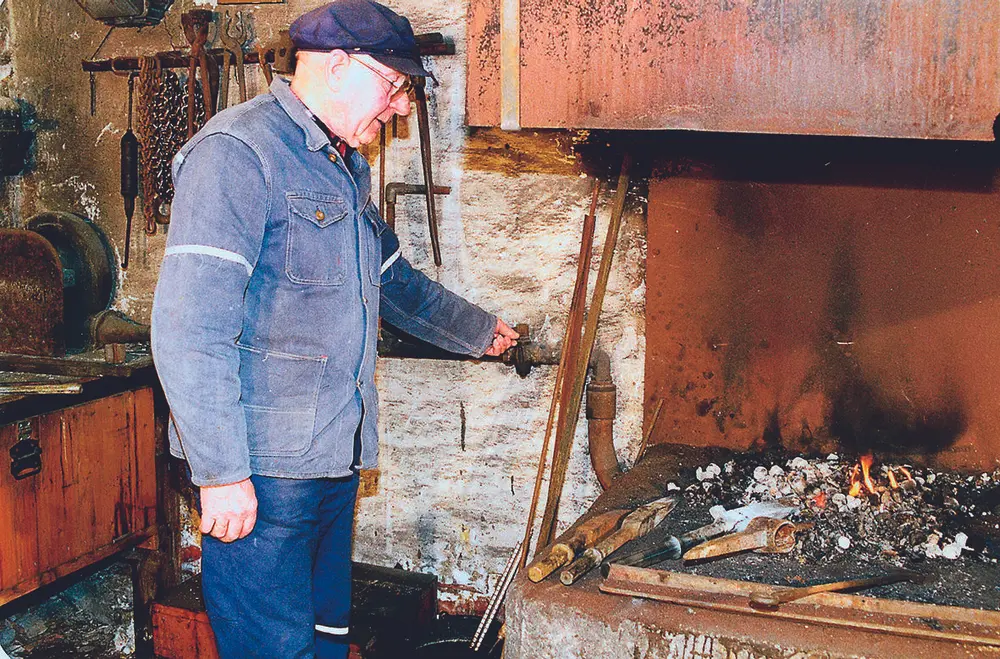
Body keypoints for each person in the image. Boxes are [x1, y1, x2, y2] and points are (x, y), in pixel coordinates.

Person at [150, 2, 518, 657]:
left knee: (326, 638)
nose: (402, 107)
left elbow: (393, 282)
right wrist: (221, 472)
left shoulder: (341, 166)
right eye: (396, 85)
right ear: (340, 67)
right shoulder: (237, 153)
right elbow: (187, 328)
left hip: (331, 463)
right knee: (273, 649)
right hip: (260, 476)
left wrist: (477, 330)